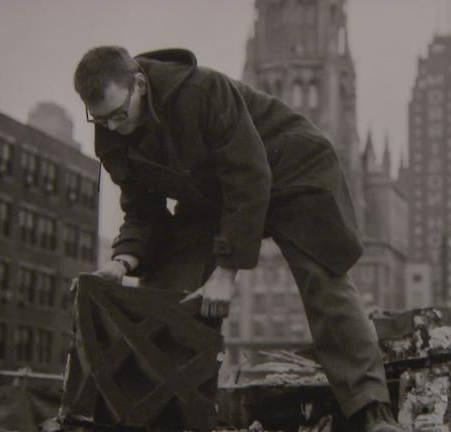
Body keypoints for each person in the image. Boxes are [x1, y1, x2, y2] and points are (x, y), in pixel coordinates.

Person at [74, 46, 404, 432]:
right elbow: (142, 212)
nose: (113, 127)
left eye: (118, 114)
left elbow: (249, 177)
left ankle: (372, 410)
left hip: (290, 170)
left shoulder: (202, 91)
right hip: (213, 196)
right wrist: (122, 261)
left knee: (324, 282)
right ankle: (167, 413)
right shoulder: (112, 134)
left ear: (140, 85)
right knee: (166, 286)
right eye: (100, 119)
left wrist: (226, 272)